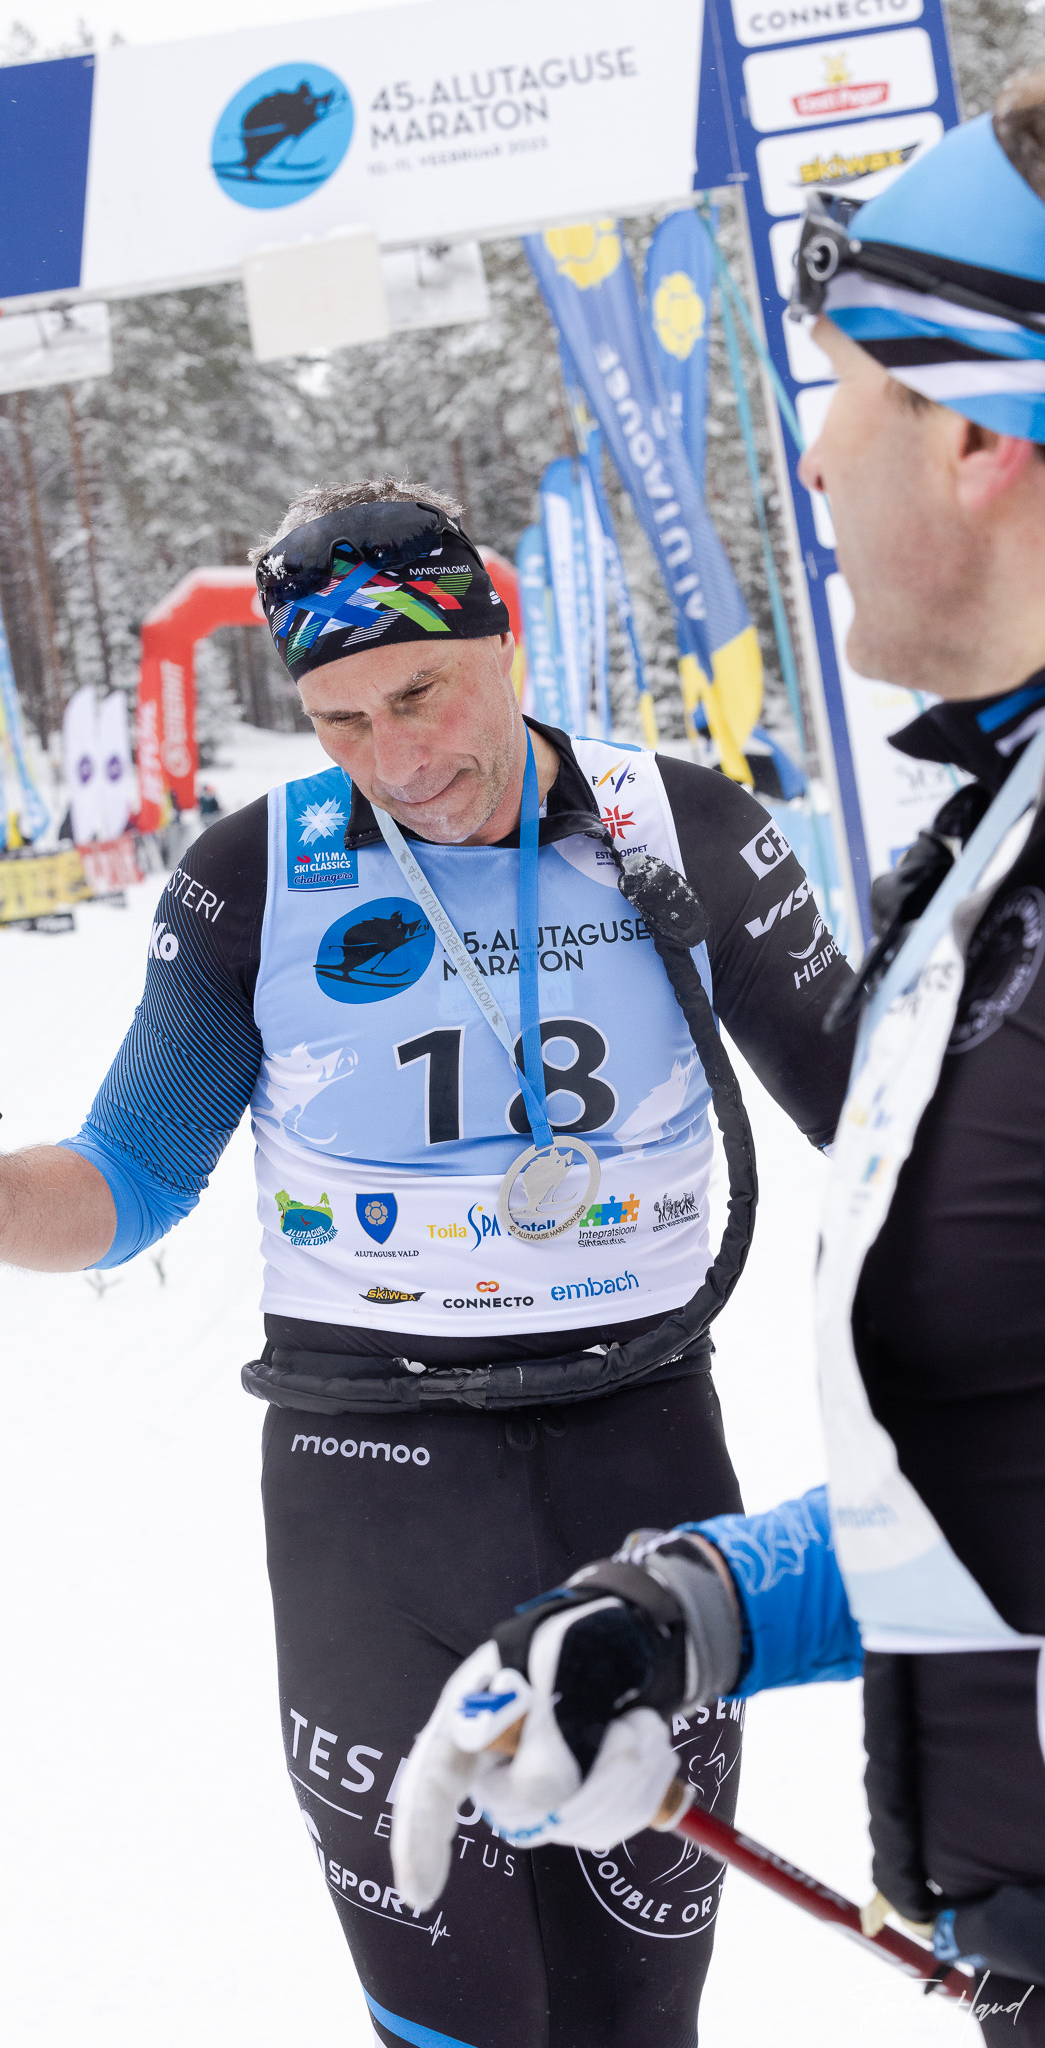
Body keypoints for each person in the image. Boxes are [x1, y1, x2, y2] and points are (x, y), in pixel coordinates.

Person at [0, 480, 857, 2048]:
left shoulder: (686, 829)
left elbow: (892, 1120)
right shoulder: (256, 875)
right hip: (370, 1496)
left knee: (635, 2015)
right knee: (448, 2019)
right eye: (340, 721)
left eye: (420, 695)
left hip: (635, 1450)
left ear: (502, 639)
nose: (397, 761)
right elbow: (124, 1181)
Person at [392, 79, 1045, 2045]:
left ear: (980, 434)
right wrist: (686, 1609)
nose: (811, 457)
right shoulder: (998, 844)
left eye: (845, 389)